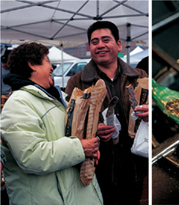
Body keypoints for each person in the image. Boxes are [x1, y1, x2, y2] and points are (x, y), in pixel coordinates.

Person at [0, 42, 103, 205]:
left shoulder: (56, 97)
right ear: (32, 65)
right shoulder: (19, 104)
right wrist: (80, 147)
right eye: (47, 61)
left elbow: (68, 135)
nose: (52, 68)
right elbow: (31, 156)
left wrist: (88, 149)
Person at [65, 21, 149, 205]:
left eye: (105, 40)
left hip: (133, 163)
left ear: (118, 44)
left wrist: (151, 114)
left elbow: (156, 111)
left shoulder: (140, 76)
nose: (100, 45)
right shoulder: (77, 82)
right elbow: (67, 125)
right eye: (94, 42)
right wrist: (94, 130)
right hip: (96, 166)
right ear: (90, 48)